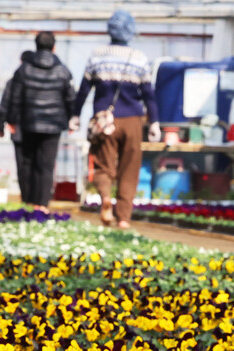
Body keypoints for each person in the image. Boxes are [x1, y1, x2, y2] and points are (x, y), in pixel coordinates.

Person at [72, 10, 160, 228]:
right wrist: (155, 122)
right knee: (130, 167)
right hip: (132, 119)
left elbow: (83, 90)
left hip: (104, 119)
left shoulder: (97, 55)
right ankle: (124, 218)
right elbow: (148, 94)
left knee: (103, 165)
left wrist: (75, 115)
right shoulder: (139, 58)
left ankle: (105, 199)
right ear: (131, 31)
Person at [6, 32, 76, 213]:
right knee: (46, 164)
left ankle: (29, 202)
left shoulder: (24, 69)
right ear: (54, 47)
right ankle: (42, 205)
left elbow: (15, 97)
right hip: (53, 125)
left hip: (29, 122)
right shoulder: (63, 70)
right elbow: (70, 98)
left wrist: (12, 120)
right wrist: (72, 119)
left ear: (36, 46)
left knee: (29, 162)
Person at [0, 51, 35, 204]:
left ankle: (26, 198)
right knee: (36, 164)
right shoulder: (38, 80)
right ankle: (35, 198)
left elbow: (5, 104)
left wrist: (1, 125)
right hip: (36, 129)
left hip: (18, 129)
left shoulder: (13, 81)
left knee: (22, 165)